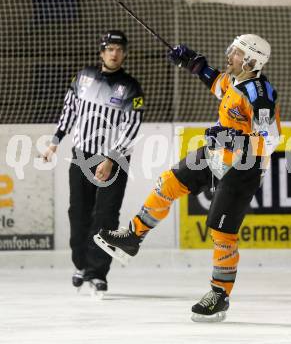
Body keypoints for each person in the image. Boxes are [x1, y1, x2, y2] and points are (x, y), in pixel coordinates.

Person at [94, 34, 281, 318]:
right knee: (169, 183)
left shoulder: (260, 93)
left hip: (244, 167)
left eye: (237, 53)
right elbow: (216, 83)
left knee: (222, 232)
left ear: (252, 60)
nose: (230, 55)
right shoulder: (234, 80)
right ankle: (133, 236)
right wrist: (195, 64)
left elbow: (270, 139)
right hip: (215, 154)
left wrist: (234, 137)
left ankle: (220, 294)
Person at [43, 30, 144, 294]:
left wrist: (111, 158)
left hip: (115, 159)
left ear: (124, 53)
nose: (114, 53)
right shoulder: (83, 77)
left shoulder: (132, 87)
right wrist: (55, 141)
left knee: (106, 216)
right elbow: (69, 110)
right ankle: (82, 265)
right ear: (101, 52)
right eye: (110, 48)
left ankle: (98, 272)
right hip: (82, 155)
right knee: (78, 212)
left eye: (119, 49)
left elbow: (131, 128)